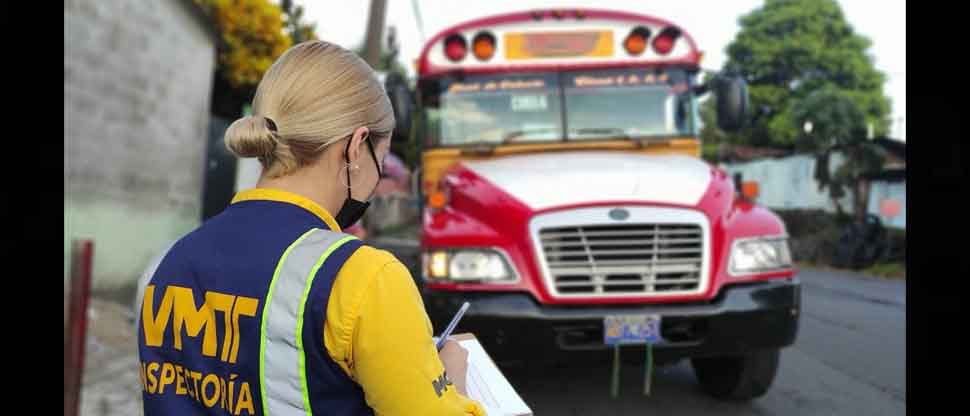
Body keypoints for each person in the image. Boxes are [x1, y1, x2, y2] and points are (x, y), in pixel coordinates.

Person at [137, 40, 484, 415]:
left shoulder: (166, 264)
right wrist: (452, 382)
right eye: (381, 159)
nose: (378, 177)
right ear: (356, 146)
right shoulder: (366, 279)